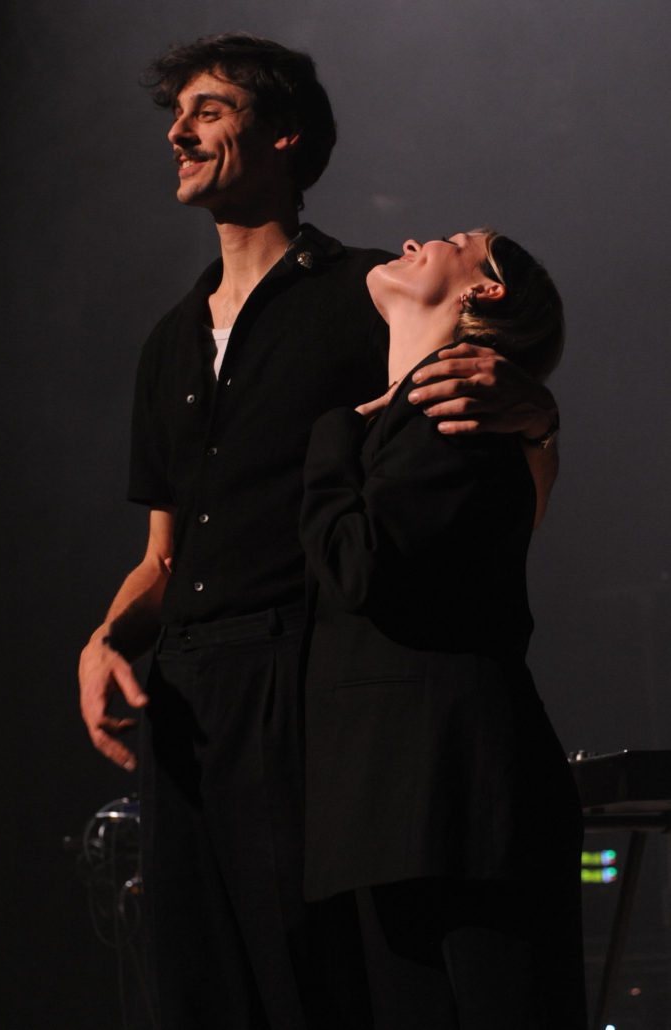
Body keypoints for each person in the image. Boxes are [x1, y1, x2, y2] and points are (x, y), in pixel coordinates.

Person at [77, 34, 563, 1030]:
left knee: (311, 985)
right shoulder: (168, 340)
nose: (178, 133)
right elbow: (165, 555)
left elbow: (483, 469)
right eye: (177, 115)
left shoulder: (367, 293)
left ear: (284, 134)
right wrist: (107, 637)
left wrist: (539, 418)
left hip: (301, 683)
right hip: (186, 697)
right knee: (197, 984)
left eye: (209, 110)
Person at [300, 230, 586, 1029]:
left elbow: (360, 566)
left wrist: (330, 434)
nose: (413, 239)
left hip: (454, 808)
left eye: (456, 241)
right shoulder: (406, 422)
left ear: (483, 290)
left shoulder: (454, 413)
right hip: (406, 810)